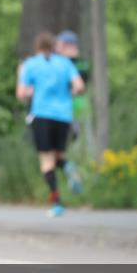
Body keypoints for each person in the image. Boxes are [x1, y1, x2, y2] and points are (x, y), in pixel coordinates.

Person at [17, 31, 85, 217]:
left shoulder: (30, 65)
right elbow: (79, 86)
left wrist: (34, 91)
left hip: (42, 115)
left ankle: (56, 202)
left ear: (37, 47)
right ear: (54, 46)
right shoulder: (65, 63)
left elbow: (21, 93)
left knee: (46, 161)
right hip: (63, 116)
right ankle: (68, 165)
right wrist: (67, 95)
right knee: (58, 156)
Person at [55, 29, 92, 186]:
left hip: (67, 110)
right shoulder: (83, 63)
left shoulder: (61, 64)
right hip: (79, 108)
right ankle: (79, 176)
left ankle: (78, 176)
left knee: (68, 148)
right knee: (76, 146)